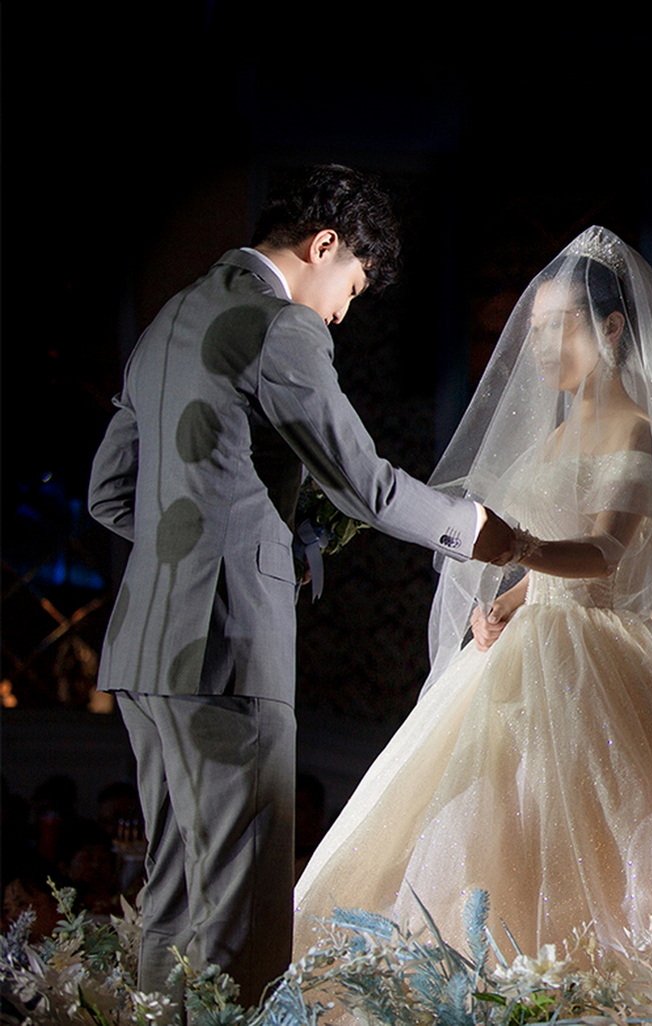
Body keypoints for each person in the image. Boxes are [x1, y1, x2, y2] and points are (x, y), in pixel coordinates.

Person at [294, 227, 652, 964]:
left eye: (556, 327)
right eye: (533, 329)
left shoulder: (637, 430)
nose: (538, 346)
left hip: (593, 648)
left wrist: (517, 550)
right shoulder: (557, 436)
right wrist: (504, 601)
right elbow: (546, 558)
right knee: (484, 810)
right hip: (527, 640)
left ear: (613, 328)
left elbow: (603, 554)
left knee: (607, 826)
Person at [87, 165, 525, 1005]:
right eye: (351, 287)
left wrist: (216, 535)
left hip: (142, 648)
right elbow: (364, 484)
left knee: (175, 894)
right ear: (324, 245)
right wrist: (478, 528)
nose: (341, 313)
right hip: (224, 644)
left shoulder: (170, 319)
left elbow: (110, 494)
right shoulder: (280, 325)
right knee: (243, 904)